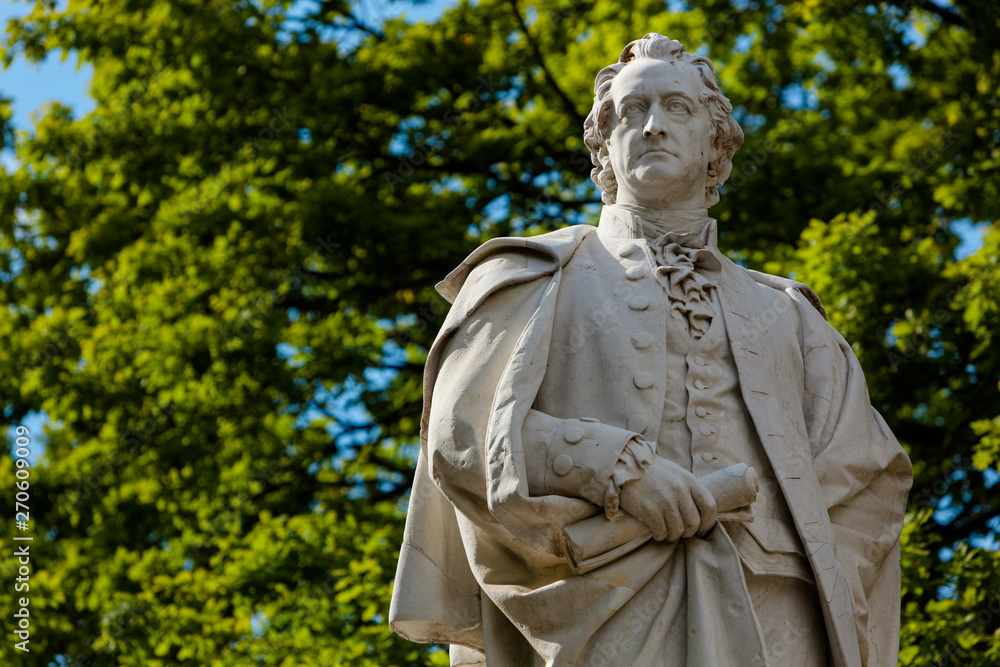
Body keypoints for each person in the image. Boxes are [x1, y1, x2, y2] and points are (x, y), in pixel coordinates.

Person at [389, 33, 912, 667]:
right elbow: (462, 434)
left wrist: (802, 570)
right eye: (631, 113)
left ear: (715, 144)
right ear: (604, 147)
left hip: (776, 621)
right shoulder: (527, 278)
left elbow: (870, 479)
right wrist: (617, 469)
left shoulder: (793, 318)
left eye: (676, 108)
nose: (653, 126)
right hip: (599, 602)